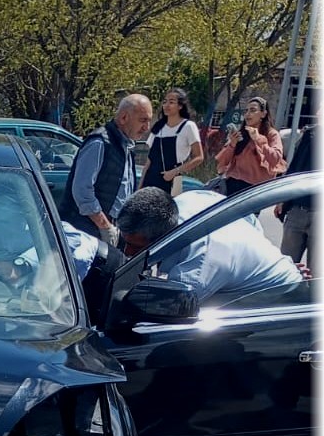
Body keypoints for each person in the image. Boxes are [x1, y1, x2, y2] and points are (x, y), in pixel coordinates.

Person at [115, 187, 302, 304]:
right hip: (272, 271)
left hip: (277, 298)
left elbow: (169, 309)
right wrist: (252, 260)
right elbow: (249, 219)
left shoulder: (197, 270)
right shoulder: (190, 199)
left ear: (162, 238)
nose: (127, 252)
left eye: (134, 246)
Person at [59, 94, 154, 246]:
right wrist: (105, 226)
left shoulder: (126, 147)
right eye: (143, 120)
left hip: (107, 231)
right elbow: (82, 192)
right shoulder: (99, 143)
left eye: (149, 121)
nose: (146, 127)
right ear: (124, 118)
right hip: (84, 233)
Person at [214, 96, 285, 196]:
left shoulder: (271, 134)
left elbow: (275, 159)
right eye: (246, 111)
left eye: (253, 110)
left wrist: (258, 139)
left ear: (263, 114)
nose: (248, 114)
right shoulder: (241, 133)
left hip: (255, 190)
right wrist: (232, 144)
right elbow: (223, 161)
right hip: (233, 184)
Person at [140, 88, 204, 194]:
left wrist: (174, 172)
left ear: (180, 106)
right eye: (165, 102)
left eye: (171, 102)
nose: (166, 105)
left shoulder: (188, 126)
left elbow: (199, 157)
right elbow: (148, 162)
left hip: (172, 181)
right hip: (150, 180)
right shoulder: (158, 127)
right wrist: (140, 186)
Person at [275, 119, 316, 271]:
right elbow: (294, 169)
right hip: (298, 209)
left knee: (316, 274)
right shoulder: (311, 134)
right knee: (286, 267)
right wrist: (283, 198)